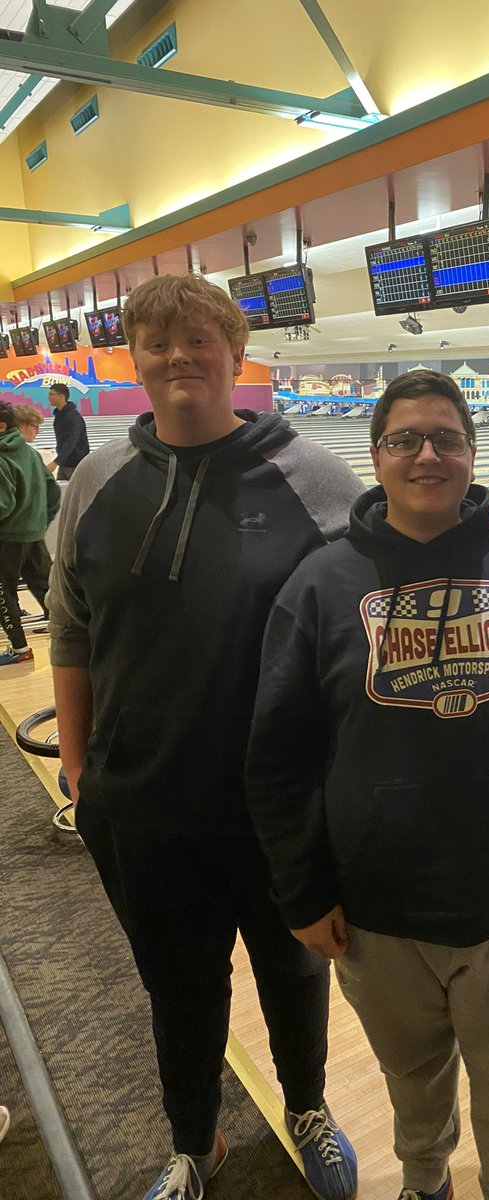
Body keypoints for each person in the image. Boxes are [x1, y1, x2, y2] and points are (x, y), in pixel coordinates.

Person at [49, 274, 365, 1200]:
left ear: (235, 355)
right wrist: (76, 765)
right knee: (179, 991)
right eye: (157, 342)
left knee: (294, 976)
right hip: (141, 806)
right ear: (133, 360)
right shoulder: (98, 479)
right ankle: (196, 1145)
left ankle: (306, 1110)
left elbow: (359, 629)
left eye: (198, 339)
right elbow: (71, 628)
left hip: (276, 806)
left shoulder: (315, 477)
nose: (178, 356)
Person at [246, 370, 489, 1200]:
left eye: (447, 439)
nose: (427, 455)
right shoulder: (320, 585)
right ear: (376, 455)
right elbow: (278, 757)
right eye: (405, 440)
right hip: (377, 905)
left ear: (471, 455)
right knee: (413, 1082)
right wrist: (301, 889)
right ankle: (424, 1184)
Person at [0, 400, 60, 665]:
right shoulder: (30, 453)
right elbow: (54, 492)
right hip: (34, 535)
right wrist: (39, 522)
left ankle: (19, 649)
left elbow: (4, 504)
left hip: (7, 538)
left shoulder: (1, 457)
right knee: (45, 587)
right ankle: (67, 635)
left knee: (4, 593)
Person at [48, 382, 90, 479]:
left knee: (73, 493)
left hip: (76, 465)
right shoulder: (59, 415)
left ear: (61, 396)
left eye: (51, 394)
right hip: (65, 463)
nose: (48, 397)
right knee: (62, 492)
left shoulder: (72, 417)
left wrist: (56, 462)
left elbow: (71, 442)